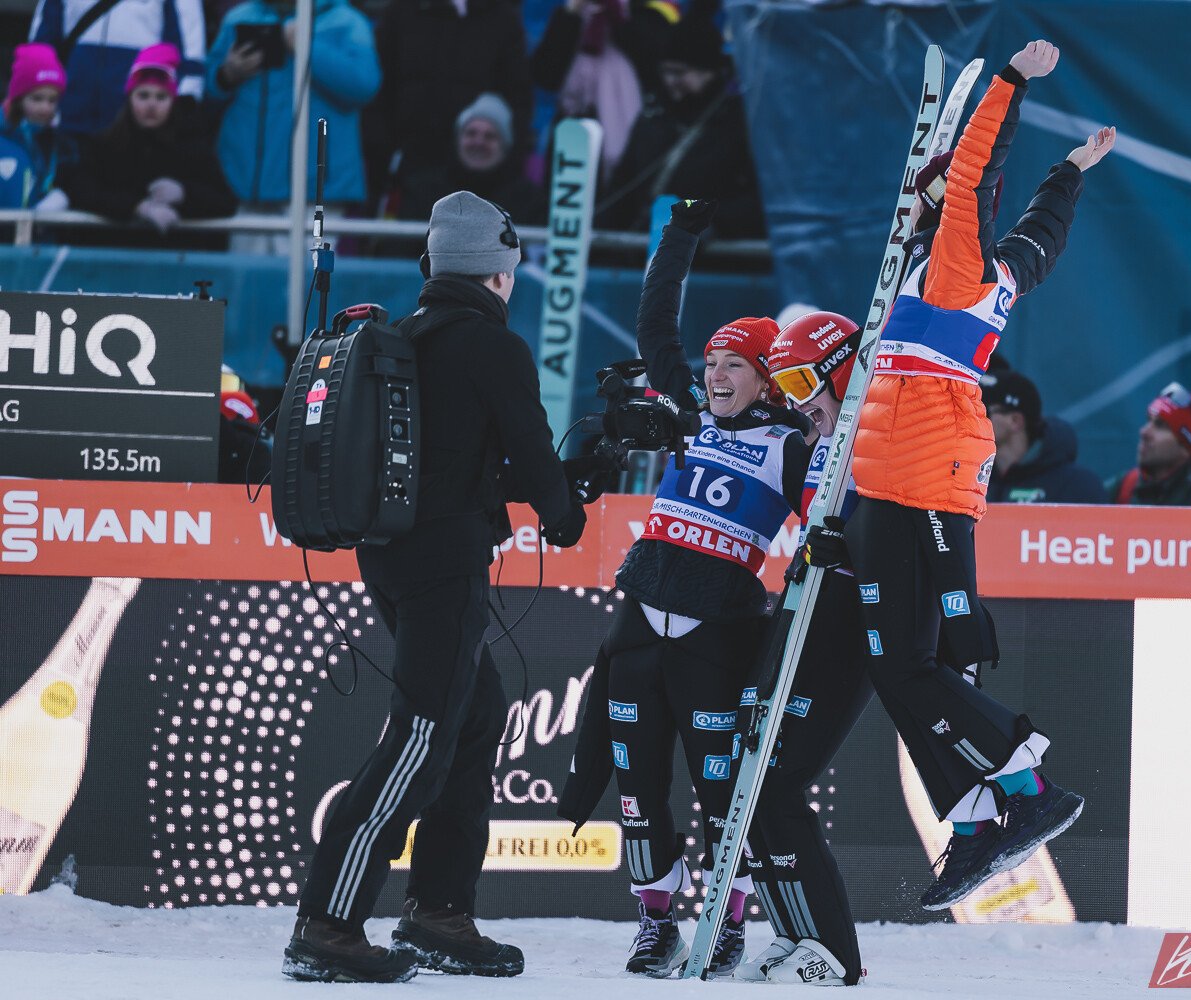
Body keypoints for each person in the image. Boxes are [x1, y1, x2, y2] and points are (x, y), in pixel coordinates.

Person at [830, 40, 1114, 911]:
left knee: (908, 666)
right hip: (907, 477)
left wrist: (1011, 84)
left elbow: (975, 180)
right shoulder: (974, 272)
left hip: (917, 481)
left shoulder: (956, 265)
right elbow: (1040, 237)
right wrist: (1069, 173)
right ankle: (979, 817)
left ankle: (1027, 792)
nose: (917, 202)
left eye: (926, 192)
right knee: (903, 668)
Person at [284, 192, 589, 984]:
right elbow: (530, 454)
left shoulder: (405, 338)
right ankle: (329, 923)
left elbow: (455, 458)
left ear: (432, 266)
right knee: (421, 734)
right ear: (499, 272)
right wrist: (566, 514)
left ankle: (438, 912)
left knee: (475, 715)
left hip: (391, 557)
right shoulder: (493, 346)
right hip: (445, 567)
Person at [558, 199, 806, 978]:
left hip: (717, 634)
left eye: (735, 364)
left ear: (768, 380)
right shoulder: (689, 416)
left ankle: (726, 921)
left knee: (720, 791)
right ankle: (656, 920)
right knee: (637, 789)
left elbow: (836, 516)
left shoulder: (793, 445)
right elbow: (655, 329)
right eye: (712, 361)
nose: (715, 373)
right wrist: (680, 234)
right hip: (639, 624)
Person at [732, 310, 987, 985]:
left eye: (799, 381)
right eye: (782, 385)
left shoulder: (881, 428)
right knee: (755, 778)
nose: (792, 400)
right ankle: (794, 931)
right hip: (808, 606)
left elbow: (913, 522)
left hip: (854, 614)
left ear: (839, 370)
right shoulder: (817, 436)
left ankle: (834, 953)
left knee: (779, 780)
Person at [205, 0, 378, 252]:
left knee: (310, 278)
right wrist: (226, 74)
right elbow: (204, 92)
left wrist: (308, 48)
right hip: (245, 193)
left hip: (316, 194)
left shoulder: (347, 21)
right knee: (245, 278)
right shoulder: (238, 18)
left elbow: (364, 85)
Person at [596, 0, 764, 238]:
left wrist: (716, 225)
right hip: (646, 245)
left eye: (679, 72)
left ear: (709, 71)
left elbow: (758, 196)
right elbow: (623, 185)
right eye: (665, 71)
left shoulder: (738, 121)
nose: (669, 81)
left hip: (706, 251)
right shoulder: (654, 115)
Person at [363, 0, 533, 209]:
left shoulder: (502, 18)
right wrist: (381, 152)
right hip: (407, 163)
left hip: (478, 175)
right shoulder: (400, 11)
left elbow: (517, 98)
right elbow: (379, 92)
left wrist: (506, 162)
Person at [66, 44, 237, 239]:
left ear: (172, 101)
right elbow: (80, 190)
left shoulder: (192, 146)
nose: (151, 105)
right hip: (113, 250)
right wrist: (137, 207)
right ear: (130, 98)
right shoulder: (104, 144)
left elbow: (225, 202)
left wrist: (184, 194)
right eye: (143, 95)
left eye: (161, 97)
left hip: (173, 253)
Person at [529, 0, 674, 185]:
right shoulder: (572, 14)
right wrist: (571, 14)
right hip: (572, 131)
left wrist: (617, 17)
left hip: (629, 136)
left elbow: (655, 69)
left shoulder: (649, 16)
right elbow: (545, 76)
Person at [28, 0, 206, 135]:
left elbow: (189, 47)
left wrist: (183, 105)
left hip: (136, 127)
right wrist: (34, 99)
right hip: (69, 118)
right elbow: (41, 45)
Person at [395, 93, 542, 226]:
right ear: (457, 141)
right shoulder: (422, 193)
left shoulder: (528, 201)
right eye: (471, 133)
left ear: (504, 148)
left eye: (490, 136)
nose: (479, 142)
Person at [982, 368, 1107, 504]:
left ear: (1015, 421)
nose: (973, 417)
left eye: (983, 410)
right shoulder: (971, 479)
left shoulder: (1079, 488)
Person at [0, 42, 77, 210]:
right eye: (37, 98)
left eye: (52, 100)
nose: (45, 108)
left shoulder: (61, 146)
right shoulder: (4, 138)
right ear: (19, 99)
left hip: (36, 227)